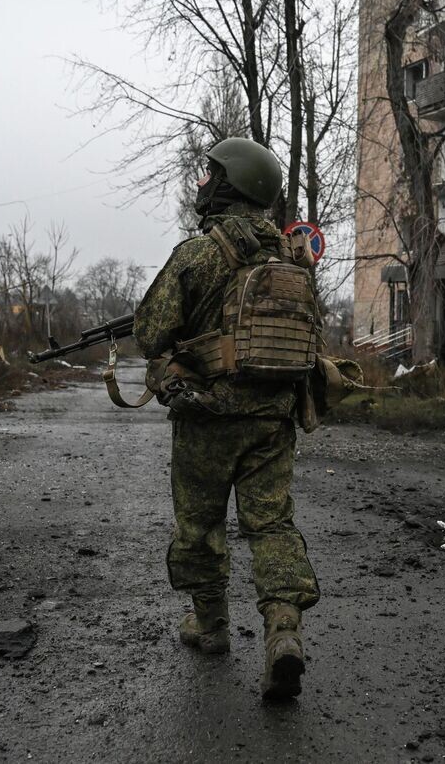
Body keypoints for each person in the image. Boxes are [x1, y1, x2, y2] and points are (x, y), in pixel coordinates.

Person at [133, 137, 319, 701]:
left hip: (206, 418)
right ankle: (283, 630)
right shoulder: (292, 258)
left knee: (199, 524)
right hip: (272, 421)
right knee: (272, 525)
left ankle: (211, 625)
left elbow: (151, 333)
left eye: (208, 174)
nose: (201, 183)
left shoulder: (198, 254)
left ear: (227, 184)